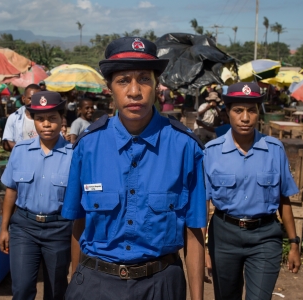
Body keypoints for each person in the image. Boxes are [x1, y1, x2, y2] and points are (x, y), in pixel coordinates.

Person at [62, 36, 207, 300]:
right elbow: (78, 222)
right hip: (96, 284)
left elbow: (194, 231)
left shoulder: (185, 147)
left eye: (143, 79)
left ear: (157, 85)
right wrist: (77, 281)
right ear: (110, 88)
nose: (134, 91)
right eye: (123, 80)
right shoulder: (87, 147)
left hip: (161, 285)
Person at [203, 82, 301, 300]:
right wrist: (203, 249)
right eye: (238, 110)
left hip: (265, 237)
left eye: (252, 110)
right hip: (224, 236)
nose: (245, 118)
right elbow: (203, 205)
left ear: (258, 113)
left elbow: (284, 199)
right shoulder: (211, 153)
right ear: (227, 113)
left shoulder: (275, 150)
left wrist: (294, 243)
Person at [0, 91, 73, 300]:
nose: (46, 124)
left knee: (56, 289)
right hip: (24, 227)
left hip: (59, 229)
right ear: (34, 121)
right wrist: (4, 229)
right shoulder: (20, 150)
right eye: (40, 119)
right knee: (21, 289)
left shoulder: (74, 155)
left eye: (52, 118)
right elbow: (11, 191)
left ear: (61, 120)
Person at [2, 84, 41, 152]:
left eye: (37, 99)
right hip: (21, 158)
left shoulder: (46, 119)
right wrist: (24, 152)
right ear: (23, 99)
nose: (33, 102)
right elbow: (9, 141)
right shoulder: (14, 118)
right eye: (30, 99)